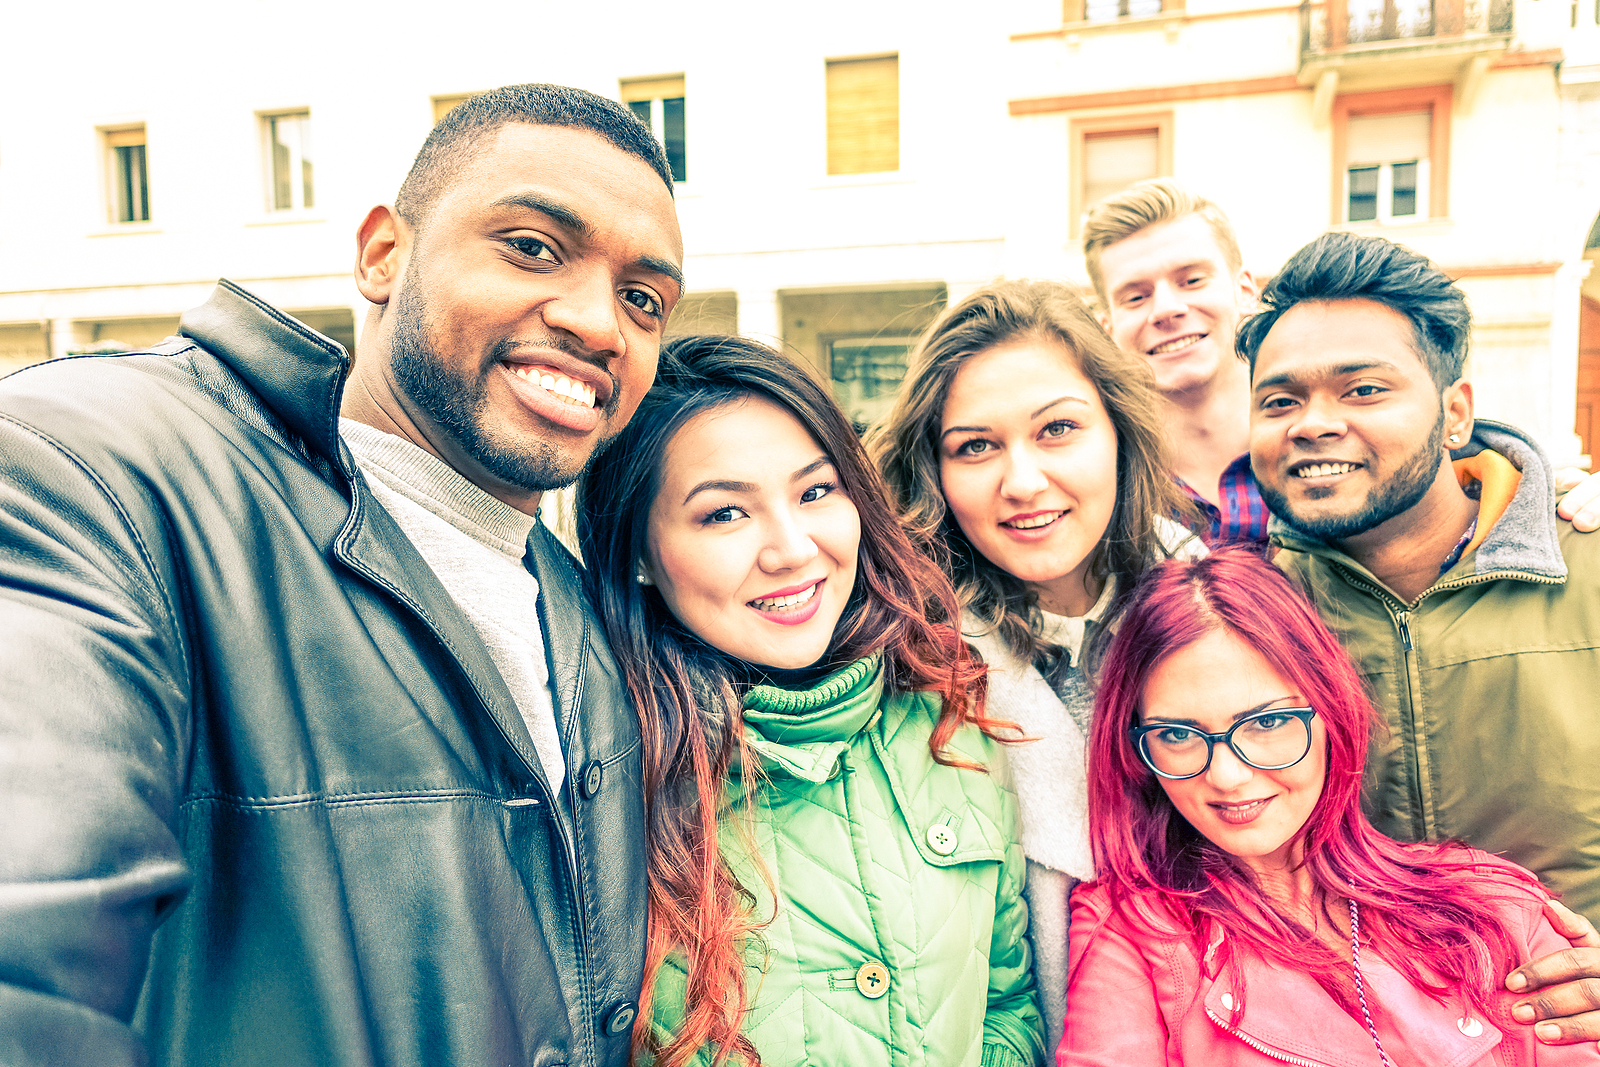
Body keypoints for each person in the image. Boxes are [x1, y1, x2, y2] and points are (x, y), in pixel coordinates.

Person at [0, 84, 683, 1066]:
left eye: (642, 298)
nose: (599, 323)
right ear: (381, 254)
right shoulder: (105, 467)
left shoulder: (580, 602)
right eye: (532, 247)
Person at [576, 334, 1044, 1067]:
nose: (792, 547)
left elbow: (1007, 1004)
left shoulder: (947, 711)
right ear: (639, 550)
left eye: (816, 491)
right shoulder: (602, 769)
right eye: (725, 513)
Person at [1240, 231, 1600, 1025]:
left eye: (1363, 390)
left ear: (1454, 413)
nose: (1312, 424)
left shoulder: (1591, 566)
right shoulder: (1245, 618)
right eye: (1279, 400)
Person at [1062, 547, 1600, 1066]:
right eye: (1177, 734)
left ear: (1331, 712)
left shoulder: (1497, 905)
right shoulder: (1131, 937)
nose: (1226, 776)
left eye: (1268, 723)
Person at [868, 279, 1201, 1049]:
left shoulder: (1212, 605)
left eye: (1057, 429)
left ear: (1118, 428)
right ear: (935, 470)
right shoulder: (899, 654)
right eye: (976, 446)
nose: (1021, 481)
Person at [1083, 178, 1600, 542]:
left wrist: (1547, 504)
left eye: (1191, 279)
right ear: (1108, 328)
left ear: (1244, 292)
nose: (1168, 309)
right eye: (1134, 296)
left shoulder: (1384, 455)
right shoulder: (1098, 483)